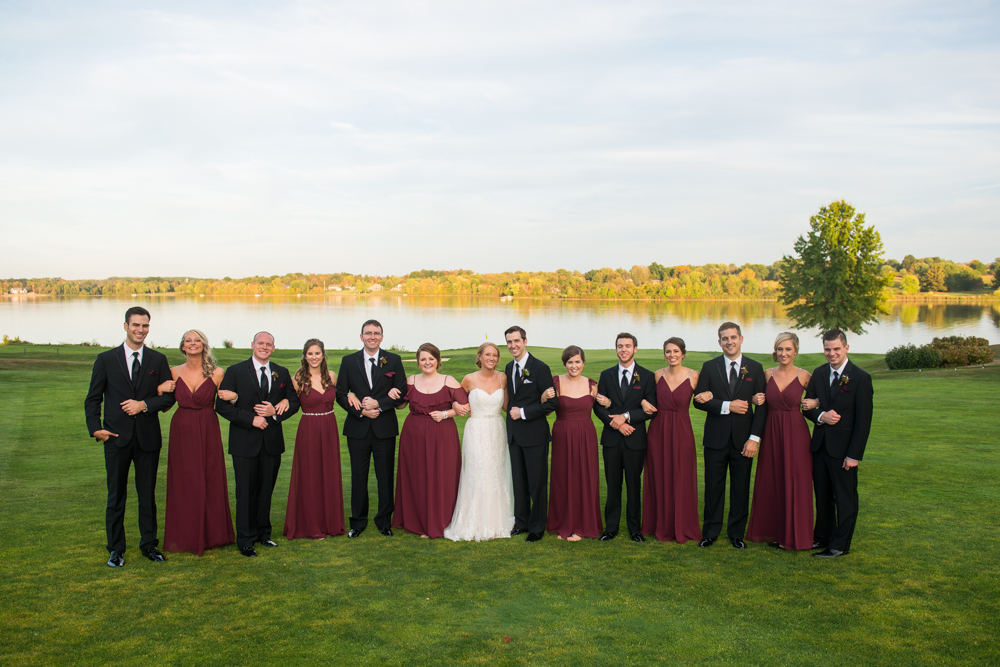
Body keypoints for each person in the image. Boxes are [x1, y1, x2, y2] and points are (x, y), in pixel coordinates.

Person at [84, 306, 175, 567]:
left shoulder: (157, 360)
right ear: (125, 326)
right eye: (135, 325)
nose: (140, 330)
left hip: (147, 438)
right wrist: (95, 428)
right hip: (115, 437)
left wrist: (143, 405)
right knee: (116, 495)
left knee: (147, 495)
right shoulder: (106, 359)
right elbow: (93, 398)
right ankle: (115, 548)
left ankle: (149, 545)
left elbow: (168, 397)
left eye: (145, 326)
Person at [216, 331, 299, 557]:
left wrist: (275, 413)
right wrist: (250, 419)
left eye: (268, 344)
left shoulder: (281, 373)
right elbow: (222, 406)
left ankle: (264, 534)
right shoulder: (235, 371)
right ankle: (245, 539)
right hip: (244, 443)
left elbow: (294, 402)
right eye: (260, 343)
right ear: (252, 344)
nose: (264, 347)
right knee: (245, 492)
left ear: (273, 348)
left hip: (271, 443)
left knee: (266, 490)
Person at [160, 329, 236, 556]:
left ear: (204, 345)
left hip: (208, 429)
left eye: (197, 340)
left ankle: (213, 534)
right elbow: (163, 404)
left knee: (210, 477)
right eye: (188, 341)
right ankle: (185, 533)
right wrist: (158, 388)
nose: (193, 344)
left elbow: (227, 403)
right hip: (181, 430)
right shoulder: (173, 372)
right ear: (182, 346)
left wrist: (235, 397)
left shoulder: (217, 373)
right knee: (184, 480)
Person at [692, 322, 767, 550]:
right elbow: (699, 401)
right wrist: (727, 406)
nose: (729, 342)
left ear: (741, 339)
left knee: (740, 487)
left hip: (743, 440)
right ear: (719, 342)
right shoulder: (709, 367)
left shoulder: (755, 368)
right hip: (715, 439)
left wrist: (754, 439)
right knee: (713, 487)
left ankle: (736, 534)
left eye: (733, 337)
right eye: (725, 338)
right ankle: (710, 532)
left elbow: (762, 406)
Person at [802, 328, 874, 558]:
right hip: (820, 447)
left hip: (844, 451)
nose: (831, 353)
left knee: (845, 498)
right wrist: (821, 415)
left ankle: (839, 545)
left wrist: (854, 455)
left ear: (846, 348)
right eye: (827, 349)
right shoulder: (820, 373)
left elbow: (864, 422)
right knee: (822, 496)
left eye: (836, 349)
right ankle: (822, 537)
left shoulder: (861, 378)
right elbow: (807, 407)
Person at [336, 320, 407, 538]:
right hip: (357, 429)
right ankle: (358, 522)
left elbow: (402, 391)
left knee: (385, 477)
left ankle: (384, 521)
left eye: (376, 333)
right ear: (361, 337)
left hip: (384, 428)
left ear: (382, 337)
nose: (372, 336)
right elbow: (340, 394)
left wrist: (380, 404)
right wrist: (361, 412)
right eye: (368, 333)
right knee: (358, 476)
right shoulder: (348, 361)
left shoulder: (393, 360)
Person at [745, 332, 815, 550]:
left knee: (796, 480)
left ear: (795, 351)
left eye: (788, 349)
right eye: (780, 349)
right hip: (772, 431)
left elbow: (819, 400)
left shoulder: (805, 376)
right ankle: (773, 532)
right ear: (775, 351)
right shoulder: (766, 374)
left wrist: (816, 402)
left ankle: (796, 535)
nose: (783, 353)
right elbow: (756, 403)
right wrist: (752, 399)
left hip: (796, 433)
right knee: (772, 480)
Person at [393, 343, 470, 538]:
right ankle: (416, 519)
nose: (427, 362)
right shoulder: (410, 380)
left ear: (438, 360)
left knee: (440, 476)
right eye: (423, 359)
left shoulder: (448, 381)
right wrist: (392, 393)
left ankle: (439, 521)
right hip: (413, 435)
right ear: (418, 362)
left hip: (442, 435)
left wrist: (445, 413)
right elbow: (401, 405)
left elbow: (465, 407)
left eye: (431, 358)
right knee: (417, 476)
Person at [444, 342, 516, 542]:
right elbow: (455, 400)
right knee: (478, 471)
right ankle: (473, 520)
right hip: (476, 430)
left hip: (497, 429)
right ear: (480, 357)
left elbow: (507, 406)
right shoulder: (469, 379)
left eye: (494, 355)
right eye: (487, 354)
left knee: (495, 471)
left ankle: (496, 520)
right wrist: (456, 405)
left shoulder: (503, 378)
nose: (491, 358)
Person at [594, 332, 657, 542]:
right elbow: (598, 406)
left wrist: (626, 417)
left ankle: (634, 529)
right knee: (613, 485)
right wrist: (616, 424)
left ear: (635, 349)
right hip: (612, 439)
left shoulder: (647, 376)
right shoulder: (606, 375)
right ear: (616, 349)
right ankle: (610, 528)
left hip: (635, 441)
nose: (624, 350)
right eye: (620, 346)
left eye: (628, 346)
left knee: (633, 485)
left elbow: (651, 409)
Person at [640, 337, 701, 543]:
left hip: (682, 431)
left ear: (683, 353)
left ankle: (682, 525)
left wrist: (709, 395)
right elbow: (644, 396)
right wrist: (642, 401)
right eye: (668, 351)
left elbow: (705, 399)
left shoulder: (694, 376)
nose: (672, 355)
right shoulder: (657, 375)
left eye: (676, 351)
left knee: (681, 476)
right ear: (664, 354)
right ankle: (659, 524)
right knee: (659, 475)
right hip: (658, 430)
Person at [283, 339, 346, 540]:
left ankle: (331, 522)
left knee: (328, 472)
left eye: (317, 353)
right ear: (305, 356)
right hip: (308, 429)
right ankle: (311, 525)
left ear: (323, 355)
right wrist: (284, 399)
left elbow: (343, 395)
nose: (314, 357)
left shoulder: (332, 377)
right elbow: (289, 400)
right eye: (310, 354)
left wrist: (352, 395)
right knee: (310, 475)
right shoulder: (298, 379)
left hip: (329, 428)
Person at [541, 345, 602, 541]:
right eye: (570, 362)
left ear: (583, 363)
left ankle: (582, 526)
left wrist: (608, 404)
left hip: (585, 434)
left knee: (584, 477)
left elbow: (603, 409)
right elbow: (547, 411)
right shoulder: (555, 383)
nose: (574, 366)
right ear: (565, 363)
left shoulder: (592, 385)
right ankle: (563, 523)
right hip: (562, 434)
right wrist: (543, 398)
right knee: (562, 477)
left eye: (577, 362)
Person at [504, 326, 557, 542]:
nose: (513, 345)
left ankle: (537, 526)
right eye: (509, 342)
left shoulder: (540, 368)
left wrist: (524, 412)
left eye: (516, 341)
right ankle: (522, 522)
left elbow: (552, 403)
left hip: (535, 435)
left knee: (537, 482)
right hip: (515, 436)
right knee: (519, 481)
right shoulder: (509, 367)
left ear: (525, 341)